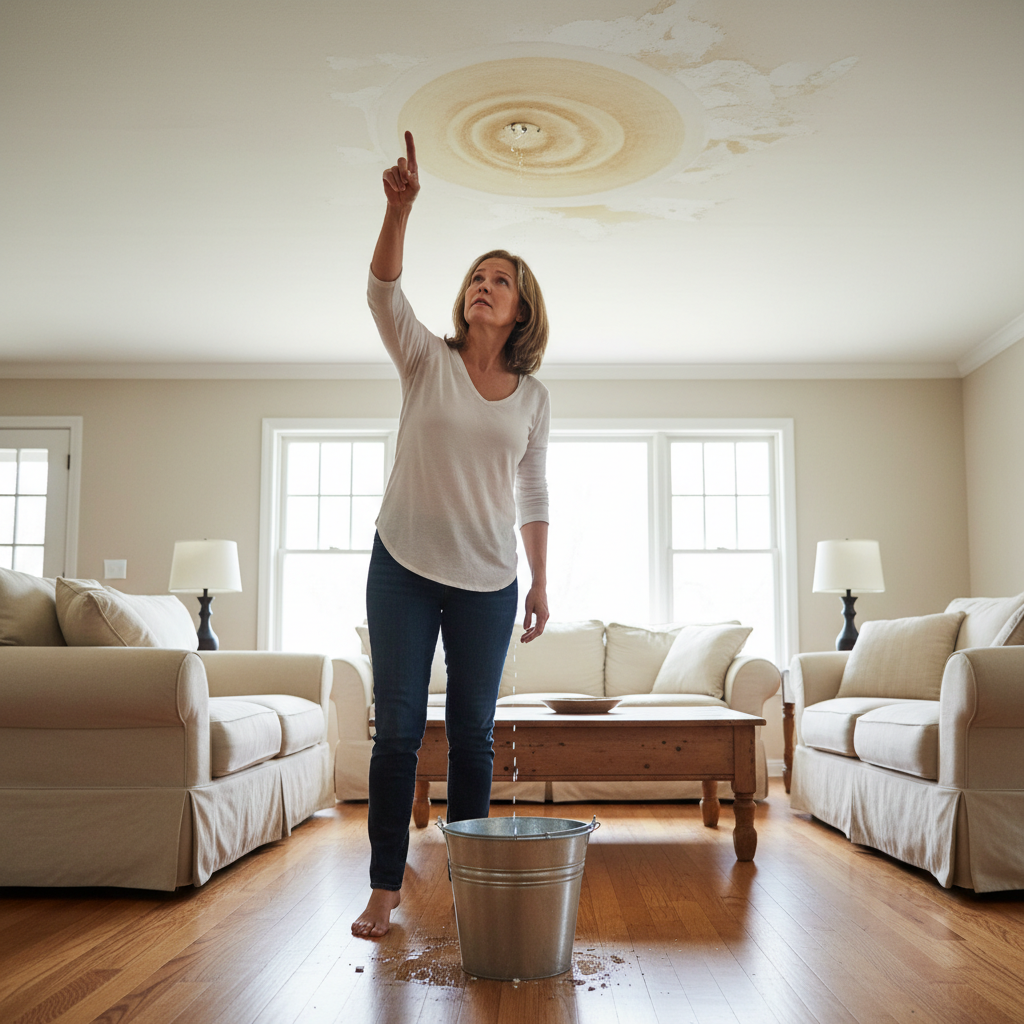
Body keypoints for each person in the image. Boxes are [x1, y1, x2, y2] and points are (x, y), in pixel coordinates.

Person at [351, 131, 552, 938]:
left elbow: (534, 488)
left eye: (499, 281)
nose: (482, 286)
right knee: (397, 729)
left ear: (521, 308)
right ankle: (382, 888)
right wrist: (398, 208)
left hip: (488, 582)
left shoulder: (534, 398)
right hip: (401, 565)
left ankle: (472, 884)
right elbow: (380, 293)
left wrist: (540, 579)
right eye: (475, 276)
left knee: (471, 737)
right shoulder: (425, 360)